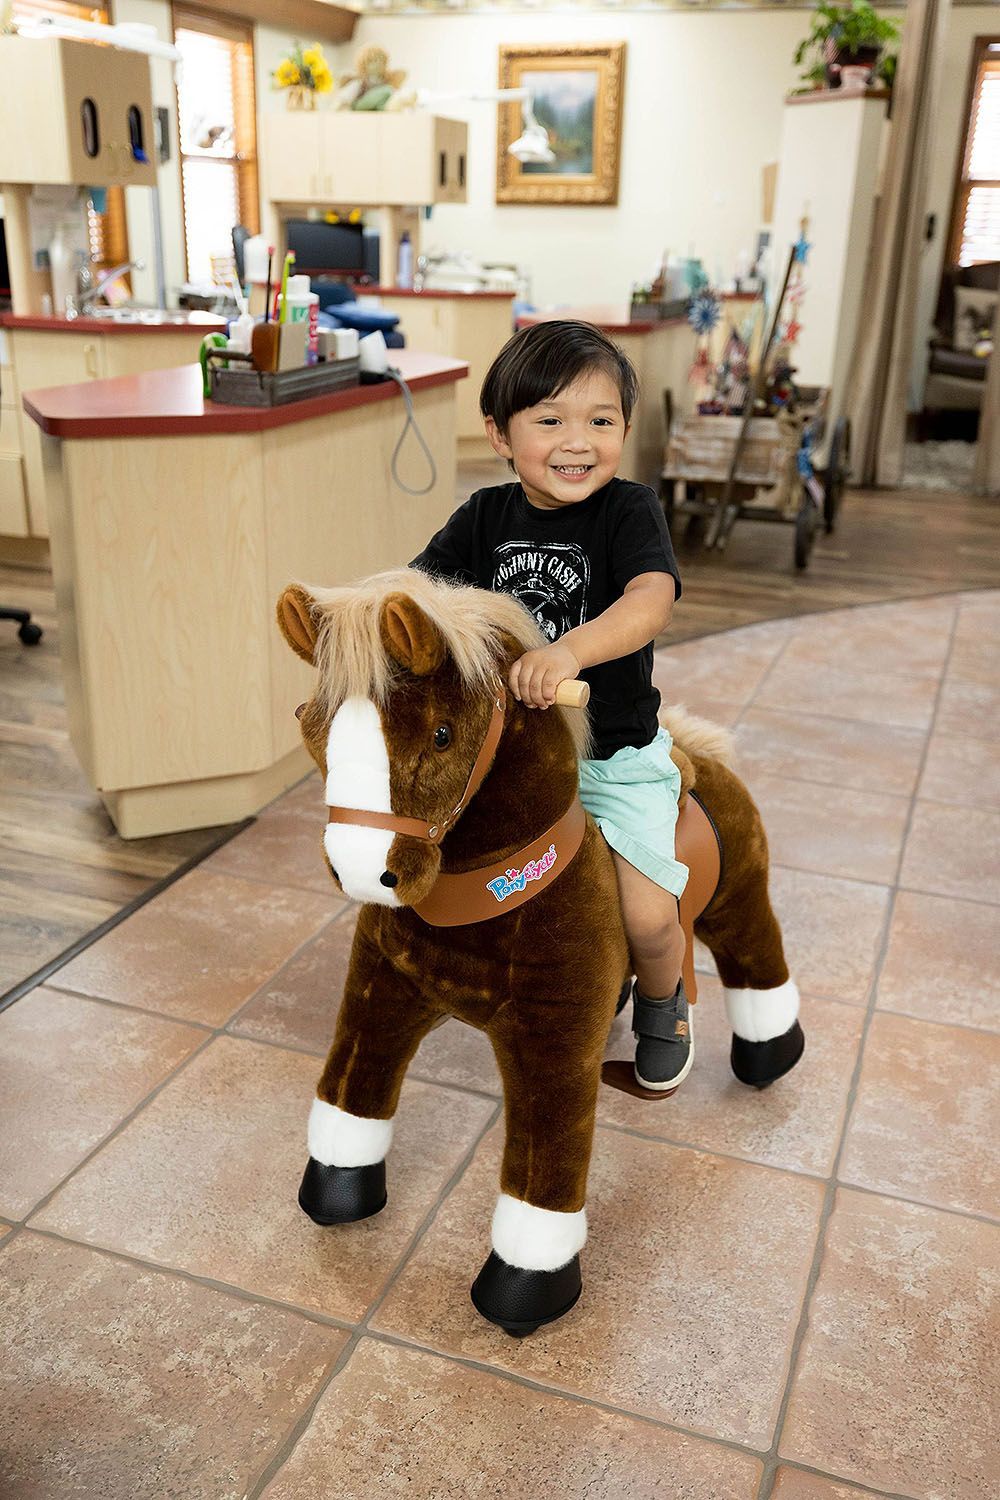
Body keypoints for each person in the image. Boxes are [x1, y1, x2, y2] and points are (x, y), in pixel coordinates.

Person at [411, 320, 691, 1093]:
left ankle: (664, 999)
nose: (578, 442)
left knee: (644, 916)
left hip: (612, 760)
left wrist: (567, 652)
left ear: (625, 431)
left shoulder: (628, 512)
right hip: (512, 763)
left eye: (600, 422)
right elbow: (420, 595)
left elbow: (651, 599)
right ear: (500, 434)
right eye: (550, 420)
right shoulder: (483, 518)